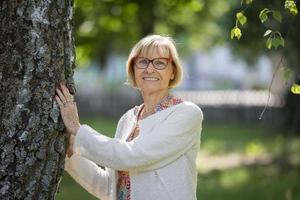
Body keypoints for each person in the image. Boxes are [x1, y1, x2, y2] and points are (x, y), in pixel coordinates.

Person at [54, 34, 203, 200]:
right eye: (142, 62)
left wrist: (77, 129)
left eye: (160, 62)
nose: (150, 69)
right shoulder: (128, 119)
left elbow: (132, 156)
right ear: (133, 69)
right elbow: (108, 187)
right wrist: (70, 153)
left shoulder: (187, 114)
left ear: (173, 72)